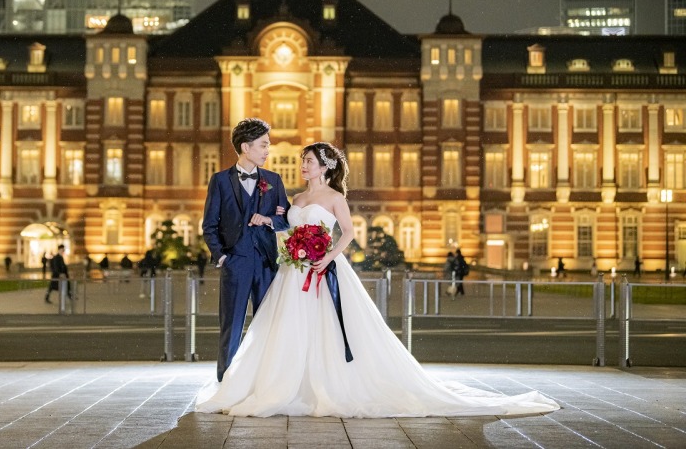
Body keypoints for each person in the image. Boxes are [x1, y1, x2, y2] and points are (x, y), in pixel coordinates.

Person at [196, 142, 559, 417]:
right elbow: (286, 224)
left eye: (308, 161)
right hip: (294, 271)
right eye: (303, 160)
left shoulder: (334, 196)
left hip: (323, 268)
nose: (302, 165)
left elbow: (348, 233)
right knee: (287, 328)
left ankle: (326, 383)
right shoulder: (298, 196)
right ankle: (286, 383)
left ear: (325, 166)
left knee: (326, 327)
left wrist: (326, 257)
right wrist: (271, 224)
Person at [201, 117, 290, 382]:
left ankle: (265, 379)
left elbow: (285, 220)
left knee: (267, 324)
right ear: (245, 147)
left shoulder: (273, 180)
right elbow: (209, 225)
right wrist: (222, 257)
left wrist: (268, 220)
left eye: (268, 145)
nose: (267, 150)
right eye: (263, 145)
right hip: (235, 262)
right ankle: (226, 381)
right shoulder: (220, 181)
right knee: (231, 325)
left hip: (266, 263)